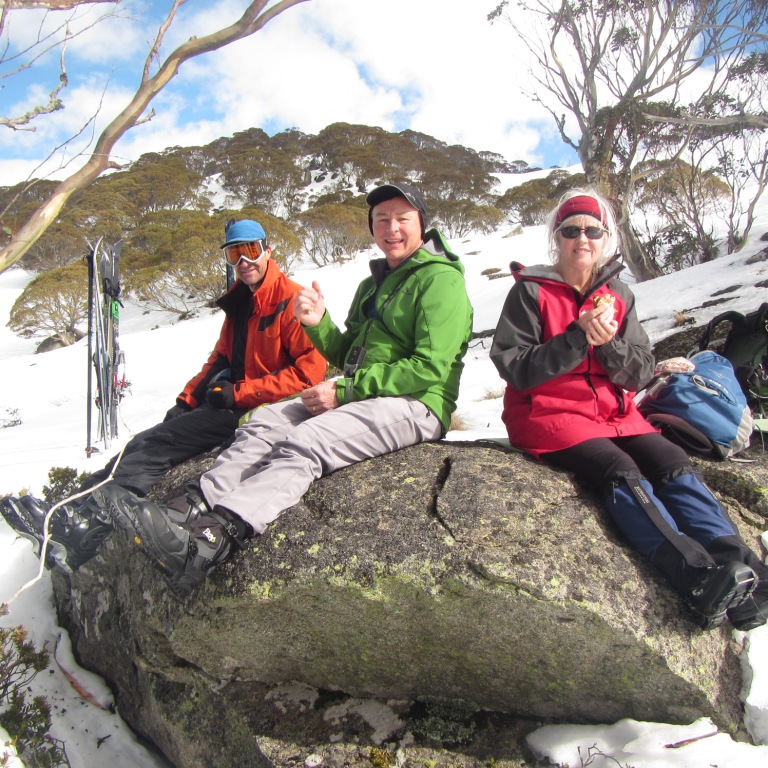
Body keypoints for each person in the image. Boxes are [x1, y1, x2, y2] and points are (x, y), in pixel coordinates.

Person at [92, 182, 474, 597]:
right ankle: (186, 510)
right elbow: (351, 356)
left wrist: (343, 393)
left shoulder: (440, 281)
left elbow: (430, 367)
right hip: (369, 393)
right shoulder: (374, 284)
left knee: (308, 439)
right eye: (382, 219)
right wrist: (319, 324)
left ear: (422, 224)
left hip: (417, 403)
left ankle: (210, 540)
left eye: (402, 218)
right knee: (267, 420)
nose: (391, 227)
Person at [490, 188, 767, 631]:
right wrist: (578, 338)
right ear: (556, 239)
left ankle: (740, 567)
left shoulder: (619, 293)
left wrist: (608, 345)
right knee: (619, 469)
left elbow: (639, 373)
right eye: (570, 230)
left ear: (606, 239)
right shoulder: (530, 292)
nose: (582, 238)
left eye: (592, 230)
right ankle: (693, 573)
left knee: (671, 460)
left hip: (616, 416)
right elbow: (515, 368)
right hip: (549, 416)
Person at [0, 219, 327, 569]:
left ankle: (87, 525)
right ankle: (66, 514)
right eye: (235, 253)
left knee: (159, 444)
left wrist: (240, 394)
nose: (243, 261)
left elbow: (310, 373)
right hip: (230, 400)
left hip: (260, 410)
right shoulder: (242, 303)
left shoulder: (291, 300)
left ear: (267, 250)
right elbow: (219, 357)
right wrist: (186, 400)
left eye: (250, 250)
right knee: (141, 440)